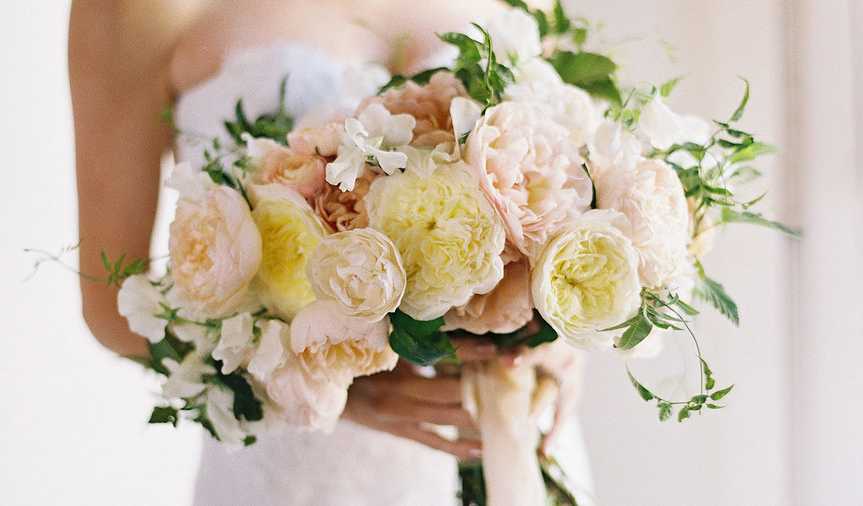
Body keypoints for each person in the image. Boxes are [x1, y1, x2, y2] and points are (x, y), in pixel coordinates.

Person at [70, 0, 590, 503]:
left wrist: (561, 326)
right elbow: (111, 302)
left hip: (517, 433)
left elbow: (564, 185)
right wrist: (316, 385)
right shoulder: (133, 8)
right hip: (305, 475)